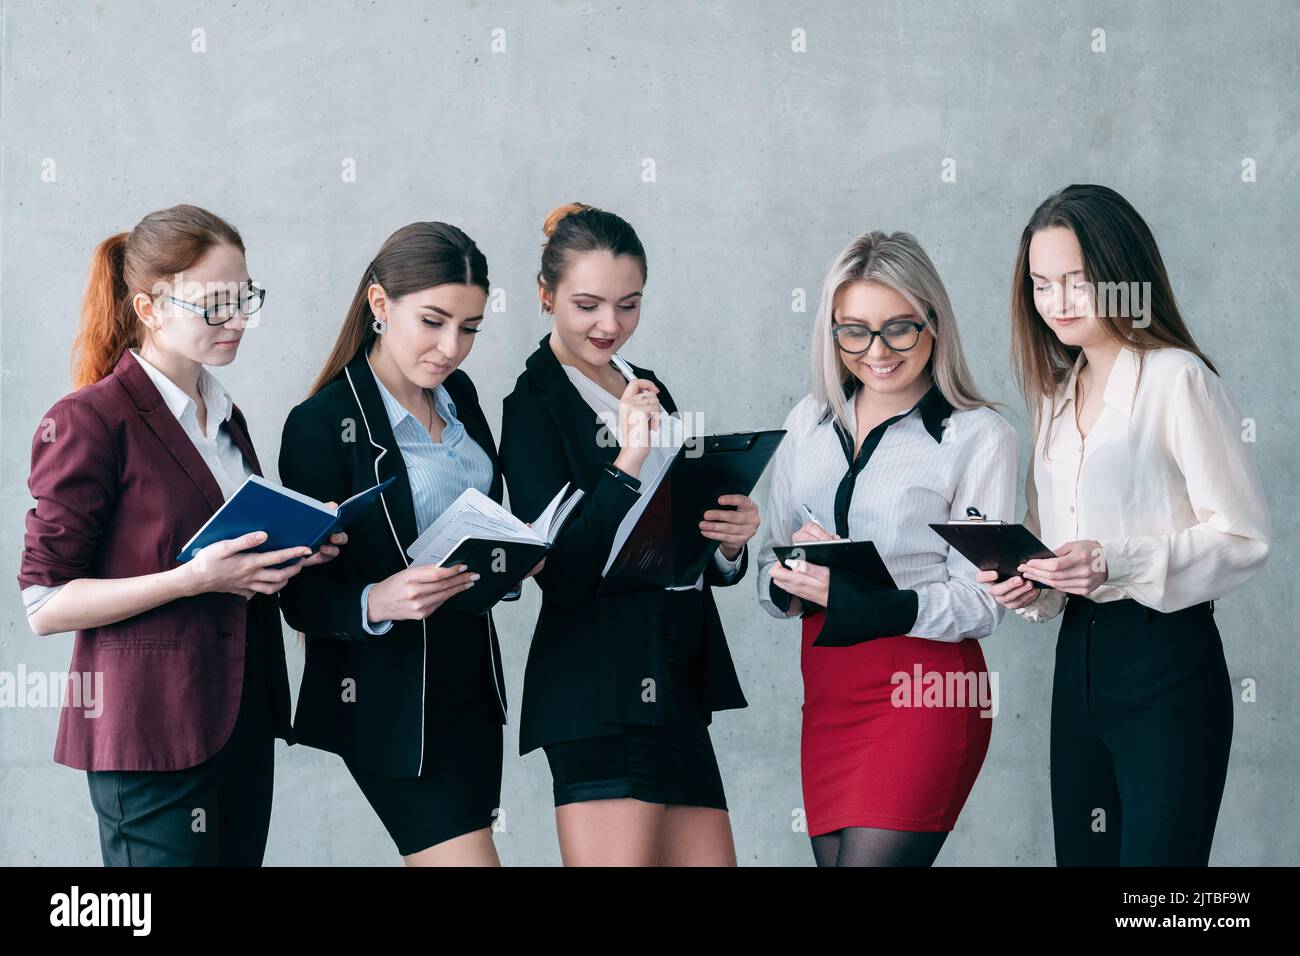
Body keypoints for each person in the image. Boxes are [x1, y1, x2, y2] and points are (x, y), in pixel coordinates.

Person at [18, 204, 342, 866]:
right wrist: (195, 578)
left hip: (241, 717)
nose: (238, 320)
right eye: (215, 303)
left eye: (245, 298)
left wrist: (299, 551)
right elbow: (44, 604)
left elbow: (231, 557)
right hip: (149, 732)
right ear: (150, 306)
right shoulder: (89, 419)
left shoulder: (224, 415)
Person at [980, 184, 1271, 866]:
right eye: (1042, 285)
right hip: (1076, 664)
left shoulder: (1178, 380)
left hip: (1165, 661)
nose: (1057, 303)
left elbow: (1244, 536)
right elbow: (1050, 540)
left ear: (1121, 275)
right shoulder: (1052, 401)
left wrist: (1116, 561)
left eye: (1077, 281)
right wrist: (1032, 583)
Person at [498, 202, 760, 866]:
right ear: (544, 295)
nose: (609, 324)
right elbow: (560, 577)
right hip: (597, 689)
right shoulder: (531, 408)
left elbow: (674, 543)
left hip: (674, 678)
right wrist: (627, 463)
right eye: (587, 304)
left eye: (629, 304)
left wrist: (728, 542)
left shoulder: (648, 388)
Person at [756, 230, 1017, 867]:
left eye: (899, 328)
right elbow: (770, 560)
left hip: (922, 691)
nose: (876, 351)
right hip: (828, 689)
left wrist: (862, 595)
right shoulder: (806, 422)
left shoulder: (980, 436)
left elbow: (984, 604)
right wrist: (791, 575)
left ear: (935, 323)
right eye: (854, 330)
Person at [278, 221, 522, 866]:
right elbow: (298, 597)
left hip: (471, 683)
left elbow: (484, 517)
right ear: (381, 306)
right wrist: (376, 600)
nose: (451, 347)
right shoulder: (321, 424)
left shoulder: (460, 397)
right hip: (389, 703)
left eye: (469, 328)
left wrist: (510, 556)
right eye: (434, 321)